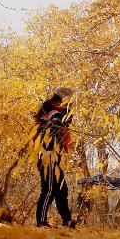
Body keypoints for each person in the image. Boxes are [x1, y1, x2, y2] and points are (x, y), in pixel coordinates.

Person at [33, 87, 76, 228]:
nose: (73, 104)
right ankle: (41, 222)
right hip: (48, 155)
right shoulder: (55, 114)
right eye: (71, 101)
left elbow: (64, 135)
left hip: (56, 156)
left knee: (62, 189)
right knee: (49, 188)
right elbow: (63, 135)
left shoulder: (55, 113)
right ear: (64, 100)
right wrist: (69, 149)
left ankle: (67, 219)